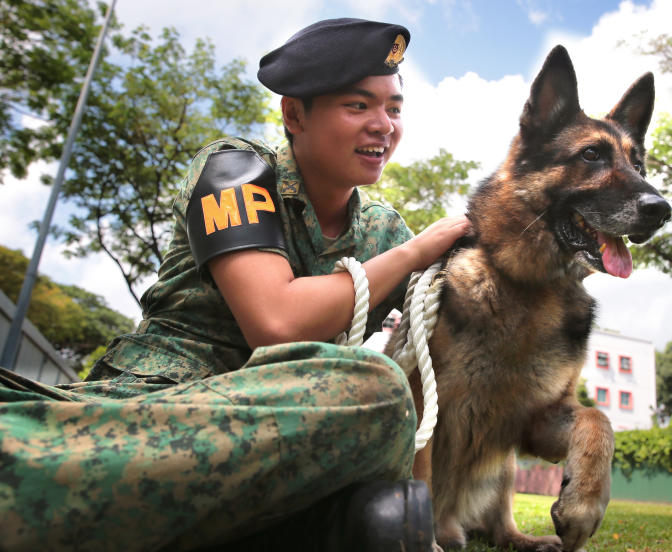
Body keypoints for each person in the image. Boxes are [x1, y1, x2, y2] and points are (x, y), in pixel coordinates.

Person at [0, 18, 470, 552]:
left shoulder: (382, 230)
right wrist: (415, 253)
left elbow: (474, 307)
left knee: (383, 399)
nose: (383, 125)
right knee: (374, 389)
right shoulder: (235, 170)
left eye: (394, 109)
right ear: (294, 114)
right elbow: (276, 321)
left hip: (283, 429)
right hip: (159, 405)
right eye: (358, 106)